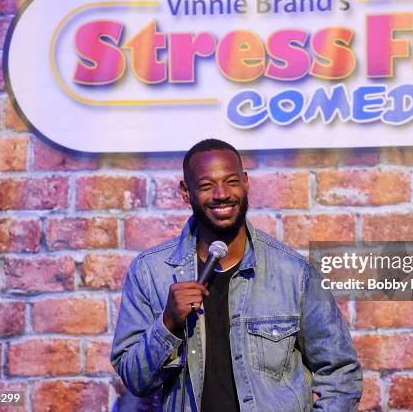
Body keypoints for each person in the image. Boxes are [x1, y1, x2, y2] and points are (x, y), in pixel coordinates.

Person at [111, 139, 363, 411]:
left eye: (231, 182)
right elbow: (136, 380)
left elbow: (340, 374)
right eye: (207, 185)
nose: (221, 194)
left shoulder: (294, 273)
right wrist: (168, 323)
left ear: (245, 183)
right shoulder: (151, 271)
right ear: (186, 192)